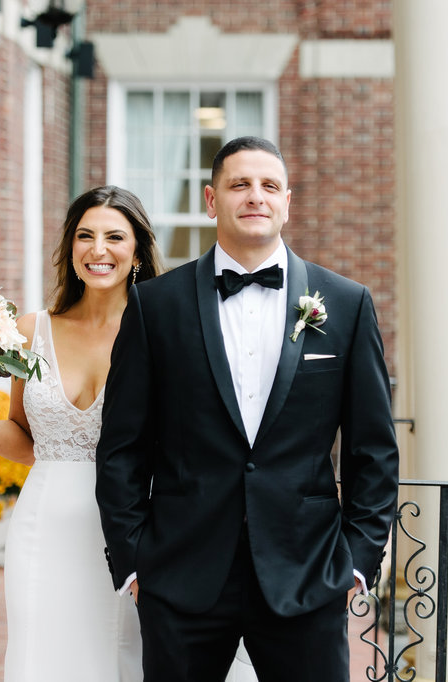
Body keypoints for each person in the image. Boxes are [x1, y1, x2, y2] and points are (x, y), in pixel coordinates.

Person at [96, 137, 400, 681]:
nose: (254, 196)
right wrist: (135, 560)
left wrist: (356, 563)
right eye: (239, 185)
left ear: (288, 201)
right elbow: (122, 447)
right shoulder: (155, 306)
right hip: (180, 576)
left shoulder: (348, 304)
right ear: (212, 201)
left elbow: (372, 449)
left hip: (307, 575)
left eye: (268, 186)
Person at [0, 186, 161, 681]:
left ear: (137, 250)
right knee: (42, 661)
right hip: (44, 529)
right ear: (70, 249)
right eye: (85, 236)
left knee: (126, 659)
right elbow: (27, 441)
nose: (98, 250)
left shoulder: (164, 332)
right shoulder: (31, 332)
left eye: (114, 237)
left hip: (136, 530)